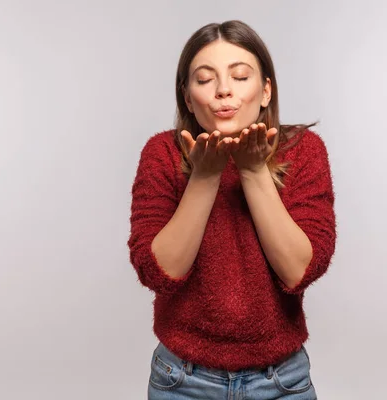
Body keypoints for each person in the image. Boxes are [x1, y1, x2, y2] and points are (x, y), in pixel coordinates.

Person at [128, 20, 336, 399]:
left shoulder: (304, 151)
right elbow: (159, 272)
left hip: (281, 381)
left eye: (240, 76)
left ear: (266, 90)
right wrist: (204, 177)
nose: (224, 89)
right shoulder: (162, 155)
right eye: (205, 79)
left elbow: (298, 271)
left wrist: (253, 169)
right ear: (188, 98)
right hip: (182, 381)